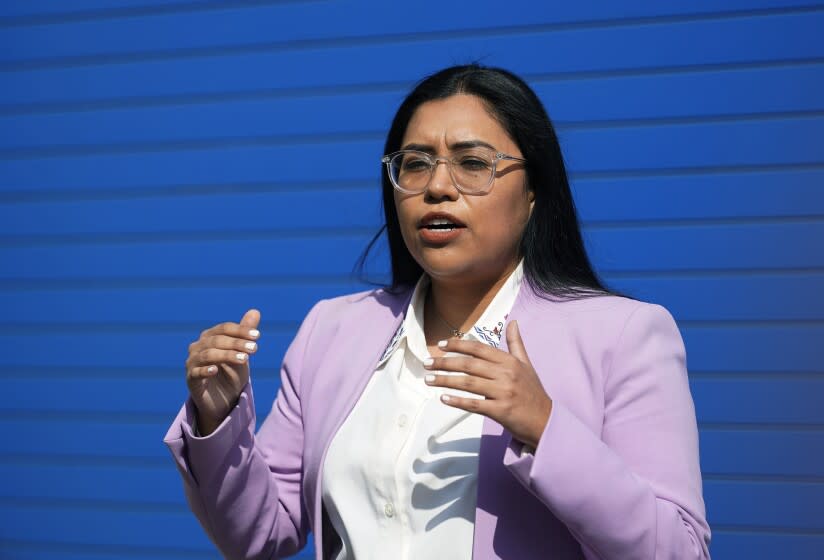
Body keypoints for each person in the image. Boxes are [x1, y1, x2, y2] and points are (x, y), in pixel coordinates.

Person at [164, 64, 712, 560]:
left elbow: (679, 551)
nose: (438, 187)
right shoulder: (333, 330)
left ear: (533, 193)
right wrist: (217, 420)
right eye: (416, 164)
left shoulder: (623, 335)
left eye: (473, 163)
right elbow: (261, 533)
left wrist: (546, 427)